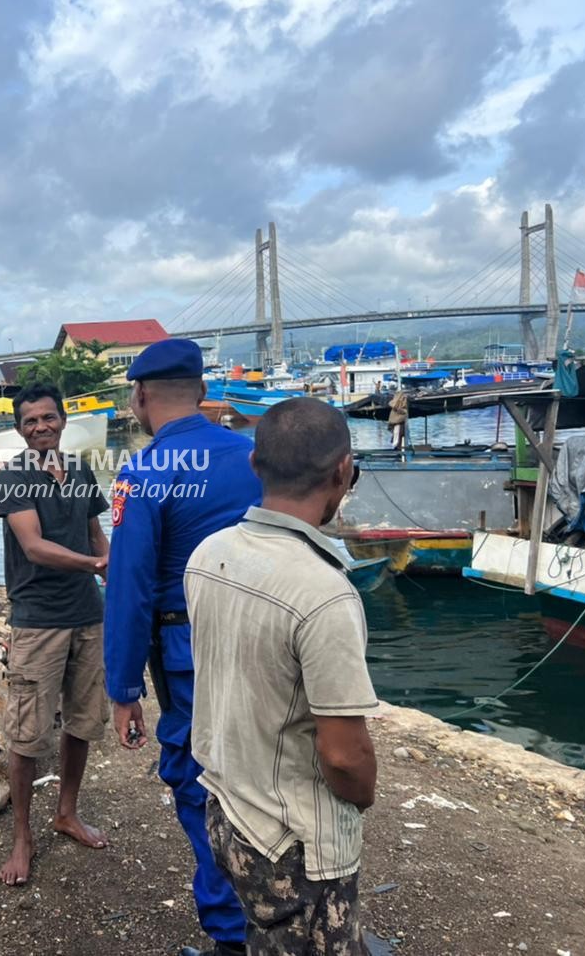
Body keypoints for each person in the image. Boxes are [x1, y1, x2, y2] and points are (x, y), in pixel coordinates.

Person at [186, 397, 378, 955]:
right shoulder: (323, 594)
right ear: (343, 472)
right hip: (294, 842)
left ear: (255, 465)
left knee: (264, 936)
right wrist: (361, 797)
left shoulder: (208, 554)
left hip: (227, 810)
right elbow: (344, 757)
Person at [103, 339, 257, 956]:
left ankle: (232, 936)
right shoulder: (252, 456)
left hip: (188, 652)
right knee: (262, 777)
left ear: (139, 396)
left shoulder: (142, 472)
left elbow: (129, 584)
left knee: (199, 784)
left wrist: (123, 688)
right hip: (263, 640)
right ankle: (276, 916)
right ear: (201, 390)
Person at [0, 381, 110, 887]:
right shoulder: (13, 478)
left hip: (87, 614)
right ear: (20, 429)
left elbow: (94, 533)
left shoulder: (80, 471)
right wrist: (95, 564)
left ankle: (66, 813)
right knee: (28, 734)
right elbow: (35, 546)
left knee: (82, 722)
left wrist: (113, 568)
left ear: (63, 420)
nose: (40, 427)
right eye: (30, 421)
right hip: (38, 619)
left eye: (48, 418)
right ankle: (23, 836)